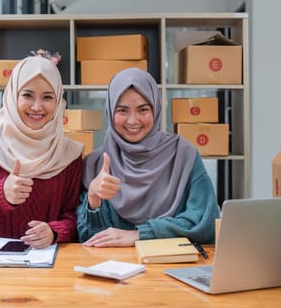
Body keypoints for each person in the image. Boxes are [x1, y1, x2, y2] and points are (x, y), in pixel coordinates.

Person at [77, 67, 219, 247]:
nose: (133, 121)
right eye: (122, 110)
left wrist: (140, 234)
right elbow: (88, 239)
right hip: (112, 269)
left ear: (156, 109)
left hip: (171, 267)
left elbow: (205, 223)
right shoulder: (96, 164)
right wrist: (93, 199)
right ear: (110, 112)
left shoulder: (183, 155)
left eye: (143, 110)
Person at [0, 55, 84, 249]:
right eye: (27, 95)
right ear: (12, 96)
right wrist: (0, 195)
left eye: (48, 97)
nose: (37, 107)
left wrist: (54, 231)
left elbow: (75, 217)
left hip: (48, 269)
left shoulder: (69, 154)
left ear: (58, 102)